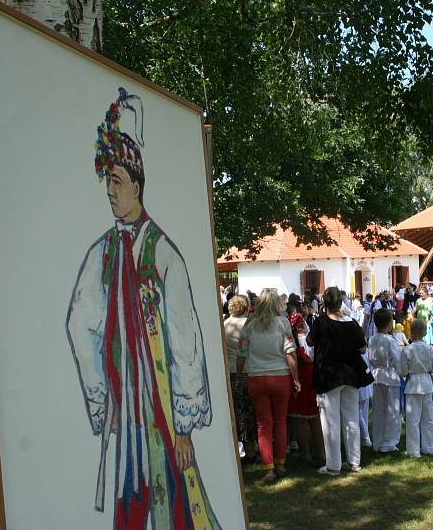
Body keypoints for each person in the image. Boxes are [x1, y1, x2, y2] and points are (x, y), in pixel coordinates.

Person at [66, 88, 220, 528]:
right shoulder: (103, 253)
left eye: (117, 181)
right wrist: (102, 396)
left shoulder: (164, 254)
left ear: (137, 183)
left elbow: (186, 340)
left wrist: (185, 422)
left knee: (173, 505)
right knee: (129, 505)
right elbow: (80, 324)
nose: (110, 192)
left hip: (161, 412)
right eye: (106, 183)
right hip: (123, 407)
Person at [307, 287, 373, 476]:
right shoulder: (351, 323)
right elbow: (362, 348)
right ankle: (354, 461)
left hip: (329, 375)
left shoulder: (321, 322)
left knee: (330, 421)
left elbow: (310, 341)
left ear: (325, 303)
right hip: (350, 374)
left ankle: (333, 465)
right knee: (351, 418)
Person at [237, 290, 301, 482]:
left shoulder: (249, 324)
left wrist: (240, 375)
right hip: (280, 377)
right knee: (280, 421)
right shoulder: (282, 324)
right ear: (276, 305)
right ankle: (280, 462)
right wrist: (296, 378)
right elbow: (290, 353)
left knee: (263, 424)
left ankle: (268, 468)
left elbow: (241, 354)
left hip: (256, 377)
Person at [286, 300, 325, 465]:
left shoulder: (290, 341)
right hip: (310, 376)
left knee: (300, 418)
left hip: (297, 377)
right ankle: (321, 453)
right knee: (314, 417)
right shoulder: (308, 340)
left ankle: (306, 454)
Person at [399, 320, 433, 458]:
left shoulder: (407, 350)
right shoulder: (430, 349)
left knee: (413, 419)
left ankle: (414, 450)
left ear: (410, 332)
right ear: (424, 333)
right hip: (427, 383)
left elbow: (402, 371)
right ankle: (429, 447)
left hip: (413, 384)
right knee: (429, 418)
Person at [224, 295, 257, 461]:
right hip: (248, 370)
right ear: (246, 308)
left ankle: (236, 451)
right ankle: (251, 450)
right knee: (249, 411)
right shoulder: (249, 325)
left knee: (236, 412)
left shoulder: (223, 325)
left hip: (230, 372)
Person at [367, 309, 402, 453]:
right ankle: (389, 442)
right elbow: (397, 360)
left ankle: (378, 441)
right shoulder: (390, 341)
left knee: (379, 409)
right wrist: (402, 372)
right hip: (389, 375)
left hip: (376, 375)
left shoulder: (372, 339)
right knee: (392, 409)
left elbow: (370, 357)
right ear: (389, 323)